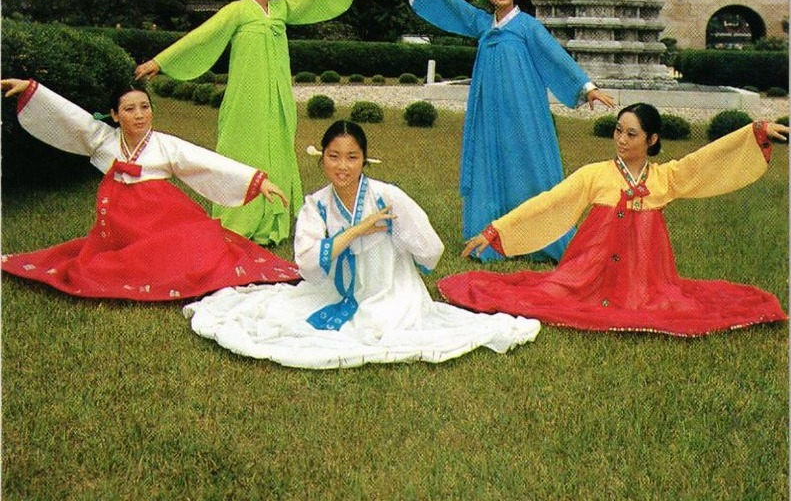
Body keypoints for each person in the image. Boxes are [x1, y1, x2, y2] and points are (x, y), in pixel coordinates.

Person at [184, 120, 541, 367]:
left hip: (391, 291)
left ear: (364, 160)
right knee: (281, 319)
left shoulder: (388, 196)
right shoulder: (316, 205)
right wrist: (356, 231)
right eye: (334, 156)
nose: (343, 166)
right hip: (334, 292)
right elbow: (307, 264)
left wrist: (393, 235)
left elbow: (431, 248)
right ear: (322, 158)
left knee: (381, 329)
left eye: (352, 157)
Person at [438, 104, 789, 336]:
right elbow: (549, 203)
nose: (621, 139)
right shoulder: (595, 174)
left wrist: (754, 132)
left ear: (651, 140)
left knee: (668, 301)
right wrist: (496, 230)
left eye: (631, 134)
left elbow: (705, 160)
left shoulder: (665, 177)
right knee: (548, 293)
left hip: (644, 276)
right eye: (618, 130)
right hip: (589, 270)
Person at [135, 0, 379, 245]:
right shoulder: (237, 11)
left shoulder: (282, 9)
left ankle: (271, 226)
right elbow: (201, 36)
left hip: (277, 99)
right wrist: (159, 62)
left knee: (276, 152)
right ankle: (237, 223)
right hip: (245, 99)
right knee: (240, 151)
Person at [388, 0, 614, 261]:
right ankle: (491, 239)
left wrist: (586, 88)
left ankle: (542, 238)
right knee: (490, 166)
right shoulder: (483, 24)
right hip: (489, 114)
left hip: (524, 112)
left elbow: (554, 57)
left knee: (530, 165)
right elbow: (454, 6)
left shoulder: (528, 27)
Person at [0, 78, 300, 301]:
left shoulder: (165, 144)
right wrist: (30, 89)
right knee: (97, 267)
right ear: (115, 115)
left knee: (200, 255)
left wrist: (257, 181)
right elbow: (70, 117)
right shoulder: (103, 140)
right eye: (129, 109)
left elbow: (206, 162)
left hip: (162, 219)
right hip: (119, 226)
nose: (140, 114)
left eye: (145, 107)